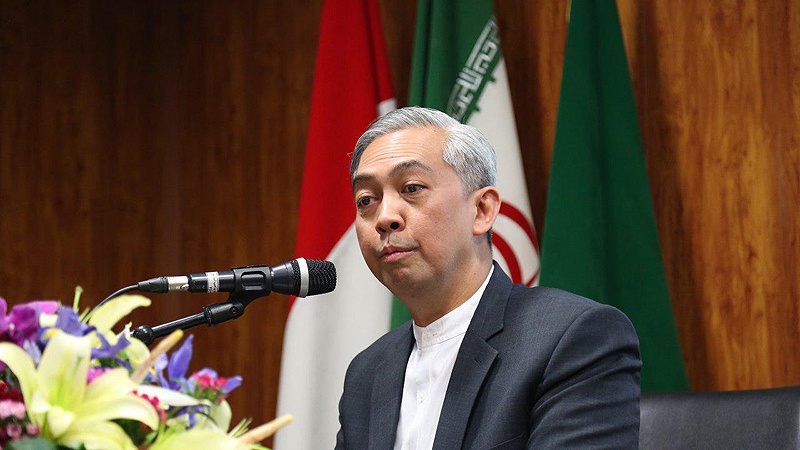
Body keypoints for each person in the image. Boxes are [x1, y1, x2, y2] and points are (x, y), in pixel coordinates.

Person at [336, 107, 641, 449]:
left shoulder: (572, 339)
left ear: (482, 210)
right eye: (366, 200)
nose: (384, 217)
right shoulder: (367, 372)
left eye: (411, 188)